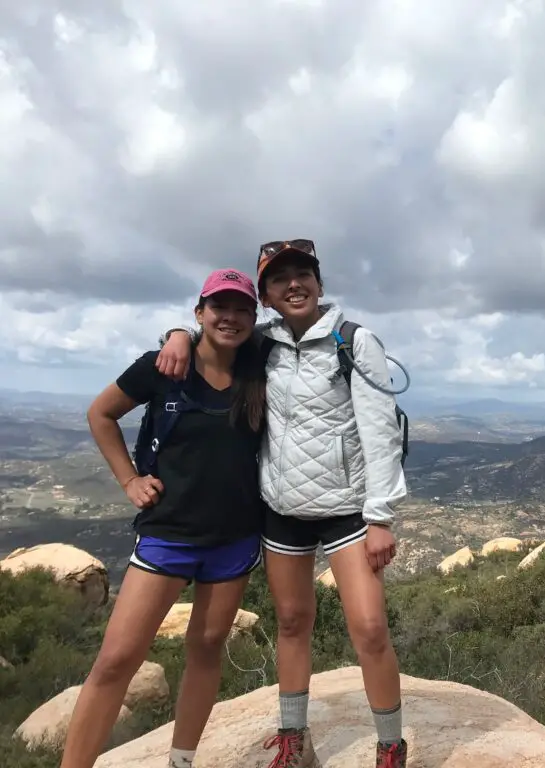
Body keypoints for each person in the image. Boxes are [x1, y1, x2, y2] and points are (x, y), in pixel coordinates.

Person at [155, 240, 408, 768]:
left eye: (303, 274)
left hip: (346, 509)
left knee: (369, 628)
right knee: (292, 622)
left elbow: (380, 432)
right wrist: (176, 333)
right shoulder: (261, 343)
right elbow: (210, 343)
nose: (294, 284)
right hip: (282, 509)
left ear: (318, 283)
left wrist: (381, 516)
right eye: (279, 278)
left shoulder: (353, 342)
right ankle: (294, 741)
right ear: (266, 296)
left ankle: (390, 746)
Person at [60, 269, 267, 768]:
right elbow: (101, 414)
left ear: (253, 320)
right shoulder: (166, 366)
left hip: (234, 536)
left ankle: (181, 760)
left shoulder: (260, 366)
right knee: (116, 660)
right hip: (169, 533)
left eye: (242, 309)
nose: (231, 317)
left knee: (207, 647)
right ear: (200, 313)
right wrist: (129, 480)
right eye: (219, 307)